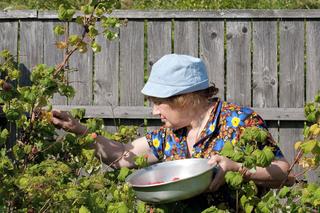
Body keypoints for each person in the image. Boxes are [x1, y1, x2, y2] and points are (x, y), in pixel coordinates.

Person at [51, 54, 294, 206]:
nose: (154, 111)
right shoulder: (171, 134)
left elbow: (284, 172)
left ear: (185, 98)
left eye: (159, 102)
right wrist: (79, 130)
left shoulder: (238, 121)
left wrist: (237, 168)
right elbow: (123, 157)